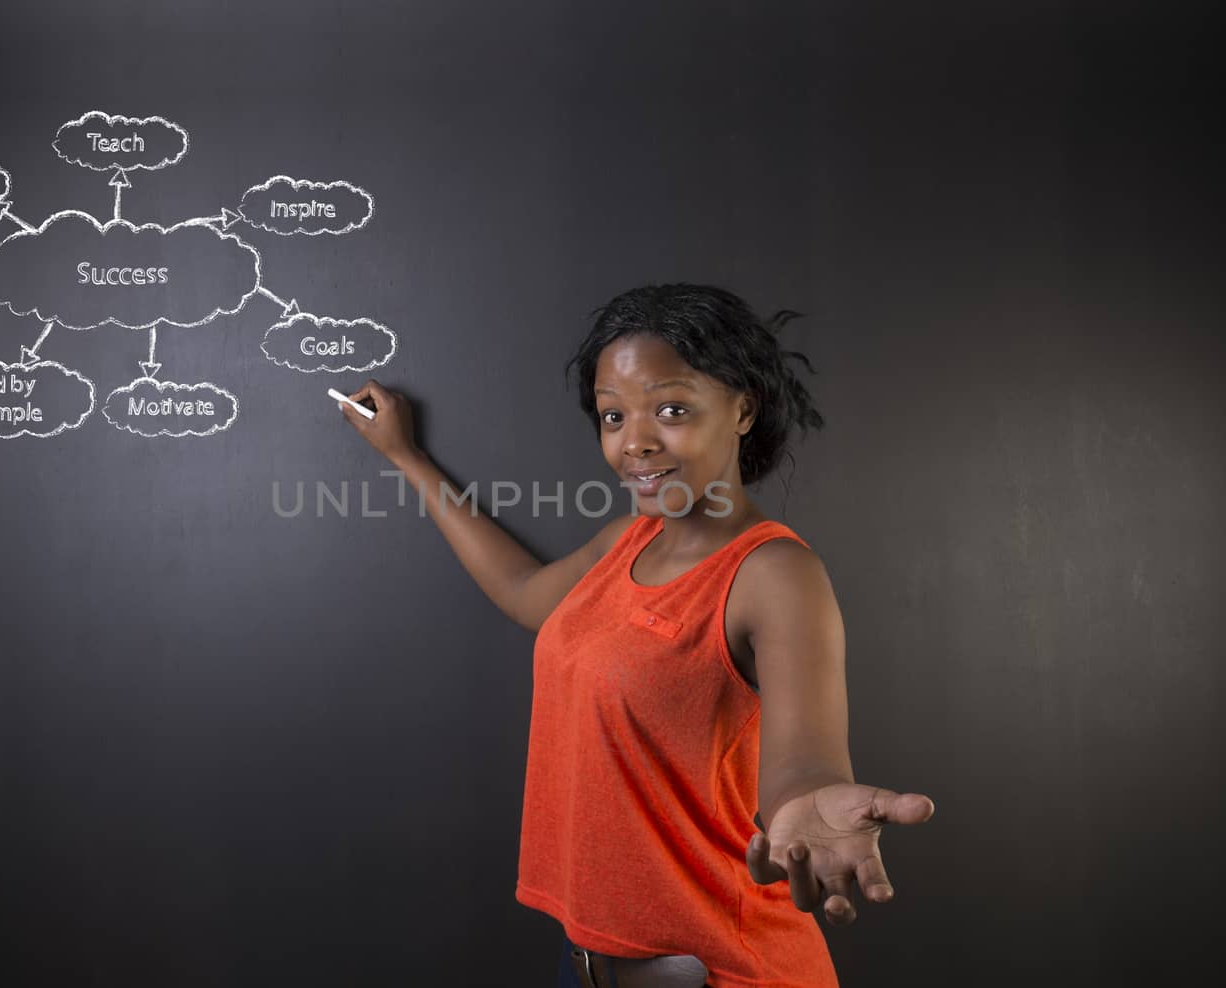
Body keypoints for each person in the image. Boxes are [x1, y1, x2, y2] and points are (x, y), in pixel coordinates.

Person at [336, 284, 935, 988]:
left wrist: (810, 801)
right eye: (613, 415)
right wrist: (407, 458)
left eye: (672, 409)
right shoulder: (630, 538)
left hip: (722, 972)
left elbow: (802, 760)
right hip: (587, 961)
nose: (635, 441)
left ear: (742, 409)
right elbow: (528, 594)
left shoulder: (775, 573)